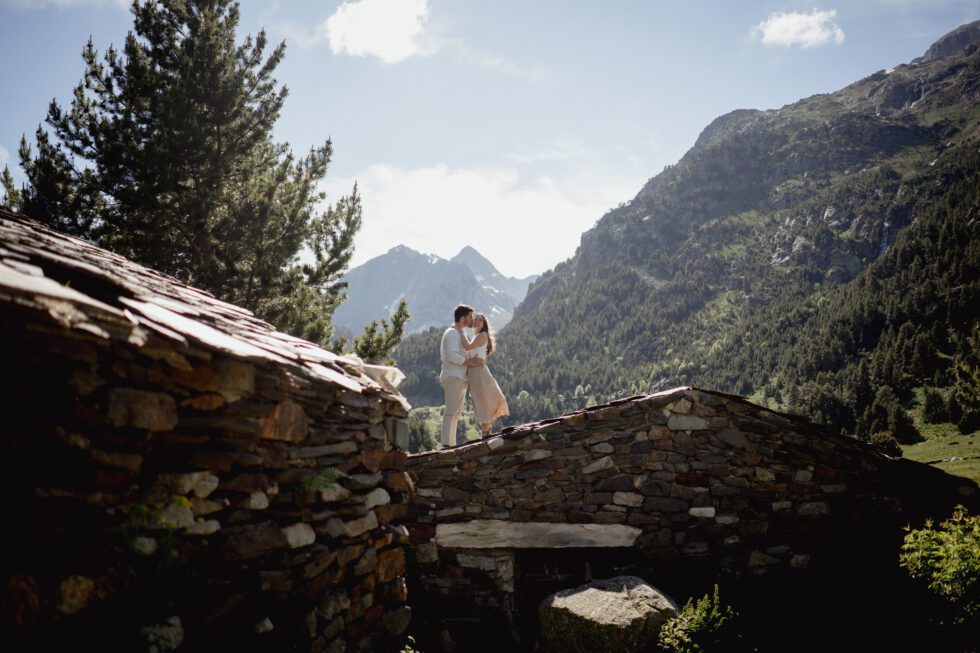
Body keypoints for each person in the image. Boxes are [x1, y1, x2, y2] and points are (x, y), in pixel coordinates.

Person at [439, 304, 485, 447]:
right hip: (453, 377)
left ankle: (451, 445)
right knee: (451, 411)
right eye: (470, 316)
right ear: (463, 317)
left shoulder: (461, 332)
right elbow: (452, 355)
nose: (472, 319)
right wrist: (469, 362)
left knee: (456, 413)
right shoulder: (452, 333)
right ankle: (446, 445)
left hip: (459, 378)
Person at [460, 313, 509, 436]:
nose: (476, 321)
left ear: (483, 324)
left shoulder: (482, 335)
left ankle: (485, 435)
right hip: (474, 373)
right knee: (482, 403)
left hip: (479, 373)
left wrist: (460, 330)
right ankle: (486, 433)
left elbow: (468, 347)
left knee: (484, 402)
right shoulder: (476, 336)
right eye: (475, 319)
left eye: (480, 320)